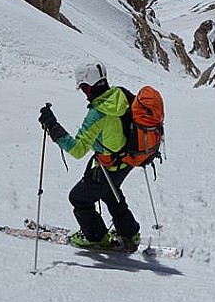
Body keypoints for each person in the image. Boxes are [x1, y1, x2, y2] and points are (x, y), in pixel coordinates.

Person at [38, 60, 141, 251]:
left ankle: (96, 237)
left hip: (109, 165)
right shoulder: (121, 94)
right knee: (110, 191)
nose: (84, 94)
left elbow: (78, 149)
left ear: (88, 86)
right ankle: (130, 233)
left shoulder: (97, 114)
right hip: (127, 161)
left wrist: (52, 126)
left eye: (83, 89)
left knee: (78, 198)